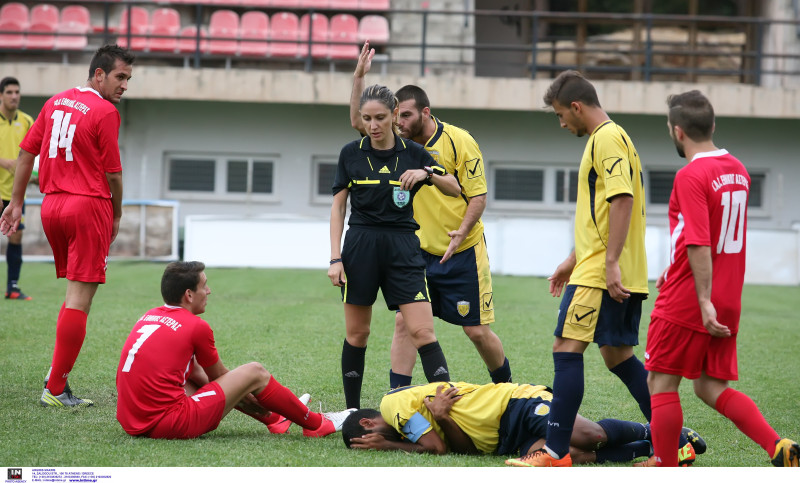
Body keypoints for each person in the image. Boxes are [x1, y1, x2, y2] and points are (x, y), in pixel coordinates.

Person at [637, 90, 799, 467]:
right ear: (712, 125)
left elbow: (699, 241)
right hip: (727, 296)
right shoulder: (738, 169)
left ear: (678, 131)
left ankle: (664, 464)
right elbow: (713, 232)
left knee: (661, 383)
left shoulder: (691, 174)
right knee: (710, 387)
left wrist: (703, 299)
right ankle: (778, 446)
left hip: (692, 298)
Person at [349, 41, 512, 389]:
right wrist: (359, 78)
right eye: (395, 116)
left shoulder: (459, 141)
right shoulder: (395, 142)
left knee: (477, 331)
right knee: (404, 325)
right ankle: (398, 396)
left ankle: (505, 389)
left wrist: (460, 230)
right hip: (417, 253)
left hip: (462, 251)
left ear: (425, 112)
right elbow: (358, 122)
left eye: (405, 115)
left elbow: (477, 196)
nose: (397, 122)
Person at [525, 70, 651, 467]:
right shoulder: (618, 137)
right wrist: (571, 258)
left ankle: (555, 453)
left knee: (566, 348)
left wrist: (607, 263)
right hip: (612, 267)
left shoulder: (606, 139)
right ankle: (672, 443)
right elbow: (601, 214)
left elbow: (621, 200)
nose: (562, 123)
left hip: (602, 273)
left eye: (562, 115)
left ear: (577, 107)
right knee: (618, 356)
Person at [0, 44, 134, 407]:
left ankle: (55, 378)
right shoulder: (104, 111)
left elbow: (28, 154)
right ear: (99, 74)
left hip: (52, 206)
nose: (124, 85)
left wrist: (15, 203)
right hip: (87, 205)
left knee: (73, 294)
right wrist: (117, 213)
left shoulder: (56, 101)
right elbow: (114, 175)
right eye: (120, 77)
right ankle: (56, 388)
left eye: (128, 79)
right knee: (80, 299)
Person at [329, 83, 461, 410]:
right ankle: (351, 412)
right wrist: (335, 258)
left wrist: (428, 174)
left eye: (380, 117)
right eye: (367, 118)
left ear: (394, 115)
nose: (373, 125)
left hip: (403, 248)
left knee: (423, 331)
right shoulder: (350, 153)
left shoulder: (415, 153)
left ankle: (449, 410)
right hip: (360, 246)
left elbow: (455, 188)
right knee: (358, 334)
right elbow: (337, 208)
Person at [116, 261, 354, 439]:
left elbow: (203, 376)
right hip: (166, 423)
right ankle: (315, 424)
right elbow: (220, 377)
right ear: (189, 295)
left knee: (194, 376)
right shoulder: (196, 326)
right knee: (254, 372)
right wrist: (266, 398)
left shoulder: (148, 316)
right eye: (204, 285)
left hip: (132, 421)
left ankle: (278, 419)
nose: (209, 291)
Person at [341, 381, 705, 466]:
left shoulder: (393, 407)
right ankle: (659, 448)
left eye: (368, 436)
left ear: (371, 422)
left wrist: (392, 444)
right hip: (504, 440)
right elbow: (456, 448)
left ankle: (656, 432)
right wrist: (444, 418)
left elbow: (435, 449)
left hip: (516, 404)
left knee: (590, 435)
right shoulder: (416, 426)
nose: (374, 439)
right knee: (576, 457)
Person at [0, 76, 35, 300]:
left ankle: (12, 287)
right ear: (1, 95)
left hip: (14, 196)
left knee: (16, 237)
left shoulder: (27, 121)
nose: (14, 96)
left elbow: (35, 154)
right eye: (10, 92)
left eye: (17, 92)